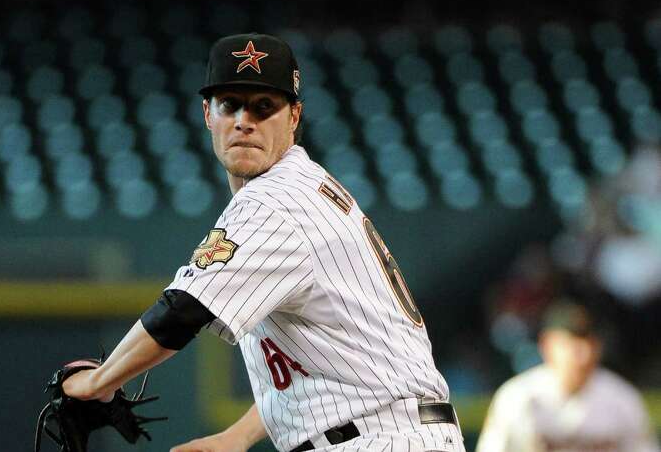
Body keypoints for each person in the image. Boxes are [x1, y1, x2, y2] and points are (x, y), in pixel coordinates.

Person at [60, 33, 466, 452]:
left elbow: (181, 312)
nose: (243, 120)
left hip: (380, 438)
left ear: (294, 117)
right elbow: (321, 367)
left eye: (263, 107)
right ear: (207, 114)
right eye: (229, 104)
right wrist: (235, 438)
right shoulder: (304, 187)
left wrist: (98, 381)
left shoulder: (274, 201)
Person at [476, 300, 659, 452]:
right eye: (572, 344)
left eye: (589, 343)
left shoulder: (622, 398)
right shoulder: (517, 397)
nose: (583, 354)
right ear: (547, 345)